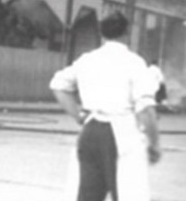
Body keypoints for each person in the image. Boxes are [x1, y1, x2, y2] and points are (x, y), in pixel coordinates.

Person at [49, 11, 161, 201]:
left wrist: (78, 115)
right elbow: (146, 109)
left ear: (102, 34)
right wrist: (154, 144)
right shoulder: (134, 62)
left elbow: (58, 85)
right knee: (128, 194)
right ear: (127, 33)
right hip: (122, 133)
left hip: (90, 131)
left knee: (88, 196)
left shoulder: (87, 60)